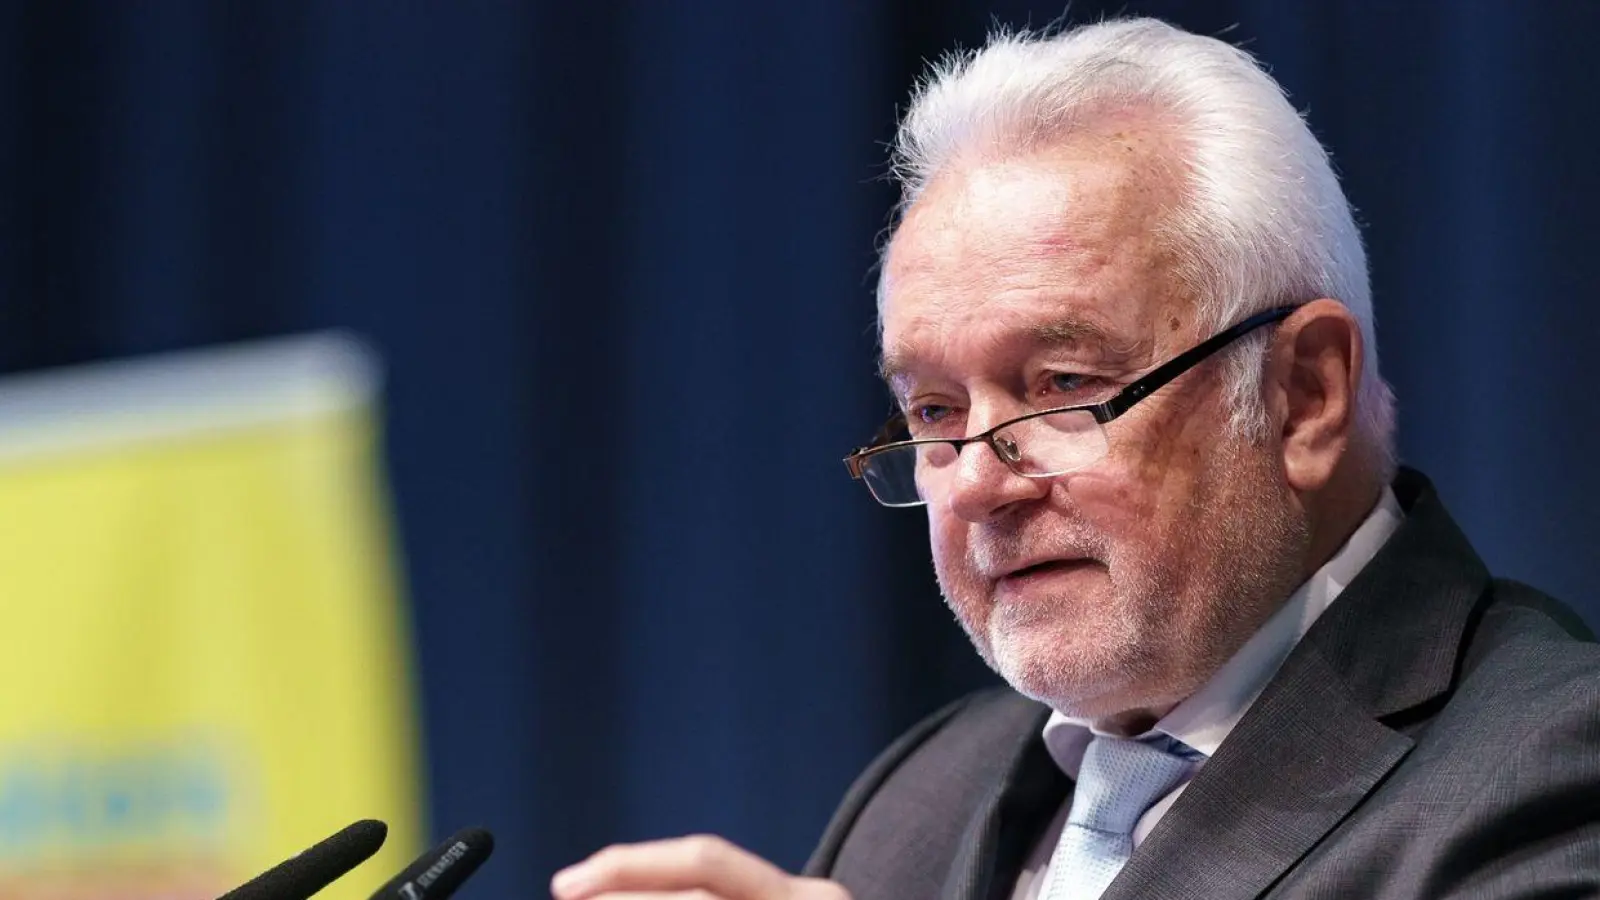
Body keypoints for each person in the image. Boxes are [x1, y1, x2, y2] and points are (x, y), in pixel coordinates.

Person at [550, 17, 1600, 900]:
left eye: (1064, 385)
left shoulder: (1550, 772)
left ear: (1304, 396)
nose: (973, 480)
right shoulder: (922, 796)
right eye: (931, 407)